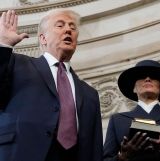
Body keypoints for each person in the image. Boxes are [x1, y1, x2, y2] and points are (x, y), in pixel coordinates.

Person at [0, 9, 103, 161]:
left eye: (73, 27)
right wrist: (4, 46)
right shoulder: (17, 64)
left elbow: (94, 148)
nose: (68, 29)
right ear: (43, 38)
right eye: (60, 25)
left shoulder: (90, 94)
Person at [103, 60, 160, 161]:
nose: (148, 79)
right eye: (141, 76)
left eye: (154, 76)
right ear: (134, 89)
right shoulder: (117, 120)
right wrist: (123, 157)